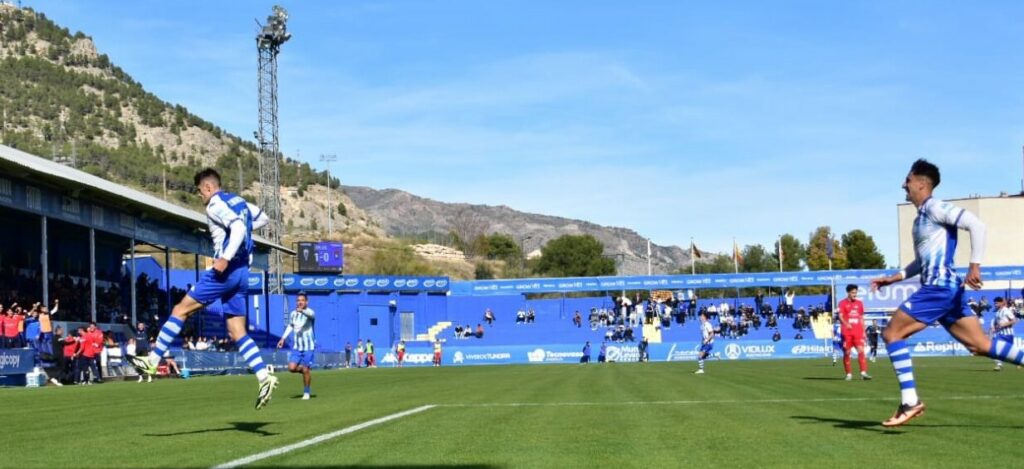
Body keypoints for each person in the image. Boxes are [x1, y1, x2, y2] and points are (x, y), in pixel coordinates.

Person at [128, 168, 277, 409]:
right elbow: (262, 219)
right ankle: (264, 377)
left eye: (200, 192)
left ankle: (152, 361)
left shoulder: (215, 204)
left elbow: (239, 228)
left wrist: (226, 256)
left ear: (208, 187)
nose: (200, 197)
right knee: (237, 331)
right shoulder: (238, 201)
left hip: (226, 271)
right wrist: (241, 241)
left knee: (180, 310)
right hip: (242, 273)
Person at [870, 159, 998, 427]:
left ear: (921, 184)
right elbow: (921, 262)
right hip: (947, 290)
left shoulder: (935, 207)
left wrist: (975, 265)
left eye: (907, 179)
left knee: (892, 333)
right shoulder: (920, 219)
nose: (903, 184)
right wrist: (894, 278)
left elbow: (977, 225)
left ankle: (910, 401)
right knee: (980, 345)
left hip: (939, 288)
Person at [277, 292, 316, 400]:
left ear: (306, 302)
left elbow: (311, 315)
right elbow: (291, 326)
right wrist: (283, 338)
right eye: (298, 300)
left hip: (308, 347)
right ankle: (304, 370)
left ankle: (306, 392)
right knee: (291, 368)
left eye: (302, 300)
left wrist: (302, 311)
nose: (300, 302)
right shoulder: (293, 314)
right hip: (297, 347)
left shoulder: (310, 312)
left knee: (306, 369)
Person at [838, 284, 871, 381]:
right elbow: (840, 316)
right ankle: (849, 374)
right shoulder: (842, 303)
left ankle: (863, 373)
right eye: (853, 293)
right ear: (848, 293)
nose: (854, 294)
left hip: (858, 332)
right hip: (847, 333)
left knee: (861, 351)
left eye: (856, 293)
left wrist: (864, 331)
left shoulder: (859, 303)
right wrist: (846, 324)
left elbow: (861, 318)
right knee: (847, 353)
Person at [990, 297, 1016, 371]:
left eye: (996, 303)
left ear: (1001, 303)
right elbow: (996, 322)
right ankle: (999, 365)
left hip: (1008, 334)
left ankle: (1019, 361)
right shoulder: (997, 312)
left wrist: (1004, 324)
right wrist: (994, 327)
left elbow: (1014, 320)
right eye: (994, 303)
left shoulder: (1006, 311)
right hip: (1000, 334)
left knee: (1010, 351)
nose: (995, 304)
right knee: (995, 348)